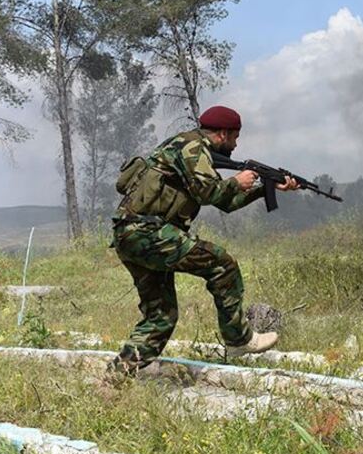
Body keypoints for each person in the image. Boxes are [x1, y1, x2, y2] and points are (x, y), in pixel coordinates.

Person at [108, 105, 299, 375]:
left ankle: (114, 379)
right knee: (223, 265)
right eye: (234, 137)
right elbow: (211, 192)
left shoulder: (190, 147)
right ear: (222, 133)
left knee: (161, 317)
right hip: (148, 232)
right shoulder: (192, 146)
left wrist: (264, 189)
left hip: (131, 235)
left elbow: (226, 202)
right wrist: (237, 181)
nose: (235, 145)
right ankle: (238, 339)